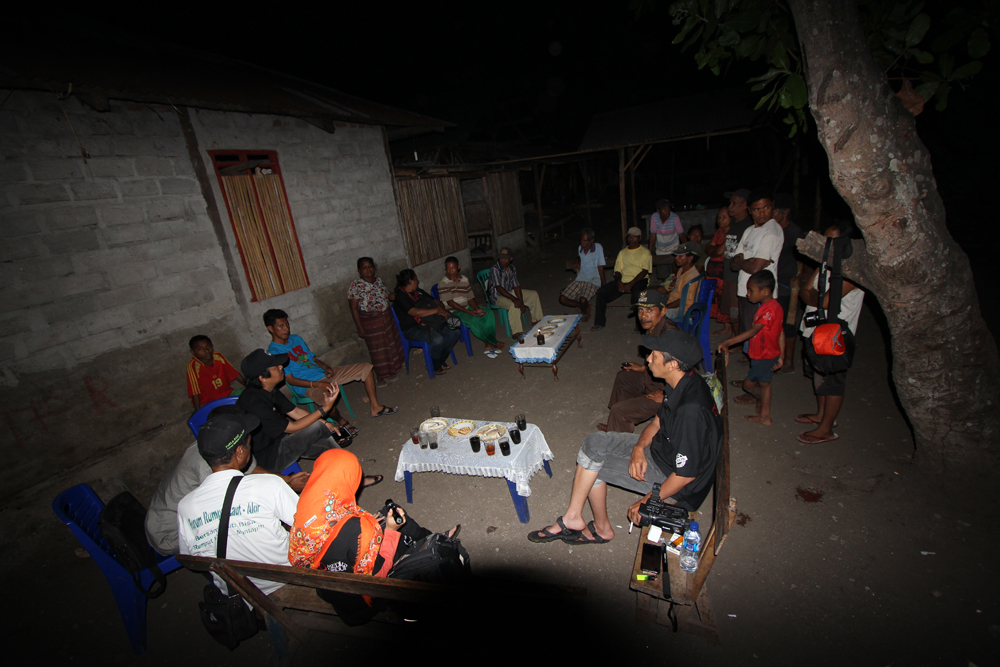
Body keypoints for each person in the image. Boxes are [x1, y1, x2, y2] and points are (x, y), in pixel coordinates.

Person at [528, 331, 722, 545]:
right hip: (661, 450)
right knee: (593, 443)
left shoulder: (691, 411)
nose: (648, 359)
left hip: (675, 479)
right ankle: (574, 517)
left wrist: (648, 500)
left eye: (654, 355)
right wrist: (639, 448)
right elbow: (658, 422)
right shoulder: (681, 382)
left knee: (591, 468)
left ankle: (599, 528)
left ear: (673, 364)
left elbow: (685, 475)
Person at [288, 448, 460, 625]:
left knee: (386, 514)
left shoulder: (305, 511)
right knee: (402, 526)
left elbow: (334, 541)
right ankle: (435, 543)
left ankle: (430, 539)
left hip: (335, 593)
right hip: (364, 602)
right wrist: (390, 531)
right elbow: (377, 575)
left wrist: (370, 525)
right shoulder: (358, 527)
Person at [145, 404, 309, 556]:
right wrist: (281, 488)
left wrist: (287, 480)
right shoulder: (206, 469)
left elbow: (250, 468)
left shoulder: (215, 448)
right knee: (254, 519)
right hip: (169, 532)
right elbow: (234, 502)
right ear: (238, 451)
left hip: (189, 514)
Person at [177, 412, 300, 596]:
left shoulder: (185, 507)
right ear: (240, 452)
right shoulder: (268, 485)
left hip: (241, 596)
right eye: (249, 444)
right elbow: (311, 525)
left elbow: (191, 560)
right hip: (291, 580)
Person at [236, 349, 382, 477]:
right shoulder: (254, 403)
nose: (281, 367)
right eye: (275, 366)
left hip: (280, 441)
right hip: (267, 459)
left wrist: (327, 424)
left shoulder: (269, 390)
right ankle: (352, 476)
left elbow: (295, 412)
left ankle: (353, 477)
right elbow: (293, 427)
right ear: (262, 377)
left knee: (327, 443)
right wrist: (324, 410)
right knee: (316, 429)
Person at [795, 220, 865, 445]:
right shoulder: (825, 263)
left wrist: (815, 296)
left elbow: (823, 299)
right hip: (816, 330)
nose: (826, 245)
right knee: (819, 375)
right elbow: (805, 291)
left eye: (831, 241)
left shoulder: (853, 270)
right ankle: (821, 415)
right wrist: (816, 297)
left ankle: (826, 428)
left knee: (833, 380)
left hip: (836, 337)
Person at [265, 309, 397, 422]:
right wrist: (318, 384)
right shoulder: (274, 352)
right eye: (281, 326)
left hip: (322, 375)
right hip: (306, 385)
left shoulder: (296, 339)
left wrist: (325, 366)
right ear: (270, 328)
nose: (286, 328)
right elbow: (290, 380)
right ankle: (341, 422)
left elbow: (313, 359)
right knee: (327, 400)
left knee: (366, 368)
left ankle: (375, 407)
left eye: (287, 324)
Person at [597, 290, 678, 434]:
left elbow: (687, 373)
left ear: (663, 310)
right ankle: (618, 427)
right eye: (641, 310)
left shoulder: (670, 337)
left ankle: (619, 426)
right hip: (653, 381)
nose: (643, 315)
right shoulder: (653, 327)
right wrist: (642, 368)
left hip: (668, 395)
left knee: (619, 410)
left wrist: (667, 395)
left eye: (649, 310)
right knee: (624, 376)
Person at [717, 271, 785, 426]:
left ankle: (762, 406)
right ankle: (764, 412)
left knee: (749, 385)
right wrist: (781, 355)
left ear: (766, 291)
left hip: (765, 355)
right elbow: (781, 332)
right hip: (766, 354)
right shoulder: (772, 306)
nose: (747, 294)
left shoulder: (769, 310)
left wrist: (729, 342)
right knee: (764, 383)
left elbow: (754, 330)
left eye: (751, 290)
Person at [731, 191, 783, 358]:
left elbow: (756, 269)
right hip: (746, 289)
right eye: (757, 209)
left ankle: (759, 375)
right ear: (749, 210)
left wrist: (743, 261)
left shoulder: (772, 232)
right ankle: (753, 368)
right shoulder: (749, 230)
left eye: (766, 207)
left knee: (760, 333)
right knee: (749, 328)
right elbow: (733, 262)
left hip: (761, 292)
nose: (762, 213)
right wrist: (748, 261)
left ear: (772, 206)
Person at [348, 257, 404, 386]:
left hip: (386, 317)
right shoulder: (356, 286)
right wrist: (359, 327)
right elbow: (353, 307)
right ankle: (380, 376)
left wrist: (402, 295)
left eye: (370, 266)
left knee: (390, 345)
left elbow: (387, 295)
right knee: (377, 350)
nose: (368, 269)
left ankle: (392, 371)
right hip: (371, 322)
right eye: (364, 267)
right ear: (359, 270)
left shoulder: (378, 281)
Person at [393, 269, 461, 375]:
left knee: (454, 333)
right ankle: (434, 366)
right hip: (412, 328)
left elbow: (434, 300)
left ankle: (439, 360)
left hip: (429, 322)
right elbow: (414, 312)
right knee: (437, 340)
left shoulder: (418, 291)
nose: (418, 280)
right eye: (415, 278)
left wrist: (441, 307)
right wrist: (436, 310)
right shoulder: (401, 297)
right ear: (410, 281)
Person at [438, 256, 504, 358]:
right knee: (474, 320)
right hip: (454, 311)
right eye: (448, 268)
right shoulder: (443, 282)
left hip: (467, 307)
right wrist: (470, 312)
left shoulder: (464, 279)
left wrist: (476, 308)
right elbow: (450, 303)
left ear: (458, 267)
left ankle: (488, 344)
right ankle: (493, 342)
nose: (450, 271)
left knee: (488, 313)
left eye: (453, 268)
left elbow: (470, 298)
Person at [592, 227, 652, 331]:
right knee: (602, 292)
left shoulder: (645, 252)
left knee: (637, 293)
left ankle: (639, 323)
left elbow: (644, 271)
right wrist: (619, 282)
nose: (631, 238)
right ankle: (599, 322)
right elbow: (617, 271)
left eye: (634, 236)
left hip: (640, 280)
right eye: (629, 236)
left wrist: (631, 284)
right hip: (624, 280)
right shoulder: (622, 253)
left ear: (640, 238)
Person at [772, 194, 805, 373]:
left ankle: (789, 361)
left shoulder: (794, 233)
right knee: (776, 325)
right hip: (775, 284)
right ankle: (777, 358)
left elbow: (805, 262)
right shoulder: (775, 230)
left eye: (774, 210)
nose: (771, 213)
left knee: (788, 325)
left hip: (787, 286)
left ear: (785, 212)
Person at [486, 247, 544, 338]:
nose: (502, 260)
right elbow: (499, 288)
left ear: (511, 259)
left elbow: (516, 286)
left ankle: (537, 320)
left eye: (505, 258)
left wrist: (520, 301)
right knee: (514, 305)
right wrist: (515, 299)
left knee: (533, 294)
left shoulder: (512, 268)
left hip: (509, 292)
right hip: (497, 296)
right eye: (501, 258)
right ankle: (516, 333)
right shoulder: (495, 269)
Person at [722, 189, 754, 337]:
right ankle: (735, 338)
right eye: (730, 203)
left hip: (738, 277)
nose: (730, 206)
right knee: (732, 311)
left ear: (744, 205)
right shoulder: (734, 223)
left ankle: (739, 342)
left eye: (734, 203)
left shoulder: (749, 226)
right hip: (729, 275)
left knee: (737, 312)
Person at [558, 228, 606, 322]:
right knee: (562, 298)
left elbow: (600, 267)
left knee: (583, 299)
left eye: (585, 241)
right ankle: (584, 307)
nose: (582, 243)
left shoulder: (598, 248)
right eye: (581, 240)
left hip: (593, 281)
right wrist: (576, 260)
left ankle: (584, 312)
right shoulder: (580, 248)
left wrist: (604, 284)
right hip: (580, 279)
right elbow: (579, 257)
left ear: (591, 241)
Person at [186, 335, 243, 411]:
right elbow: (194, 392)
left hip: (227, 395)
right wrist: (198, 411)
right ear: (193, 352)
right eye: (200, 349)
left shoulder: (218, 357)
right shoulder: (193, 366)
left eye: (208, 347)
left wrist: (250, 386)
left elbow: (234, 374)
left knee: (247, 394)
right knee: (198, 419)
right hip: (207, 403)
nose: (206, 351)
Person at [662, 241, 703, 321]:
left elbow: (682, 301)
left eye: (680, 256)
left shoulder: (691, 277)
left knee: (655, 313)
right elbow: (676, 291)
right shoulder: (681, 270)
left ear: (690, 258)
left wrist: (664, 307)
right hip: (675, 304)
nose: (676, 257)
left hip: (681, 310)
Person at [648, 198, 686, 281]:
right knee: (664, 277)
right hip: (660, 251)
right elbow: (652, 236)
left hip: (674, 250)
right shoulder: (654, 217)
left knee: (676, 275)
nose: (667, 211)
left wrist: (686, 249)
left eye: (668, 208)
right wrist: (650, 253)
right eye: (664, 209)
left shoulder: (675, 218)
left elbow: (681, 235)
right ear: (658, 211)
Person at [706, 207, 731, 326]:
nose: (720, 220)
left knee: (725, 299)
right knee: (716, 298)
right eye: (719, 217)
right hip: (714, 272)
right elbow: (708, 248)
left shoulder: (732, 233)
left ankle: (729, 327)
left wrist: (714, 250)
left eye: (724, 217)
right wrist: (715, 250)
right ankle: (725, 326)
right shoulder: (720, 231)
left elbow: (718, 251)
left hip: (723, 272)